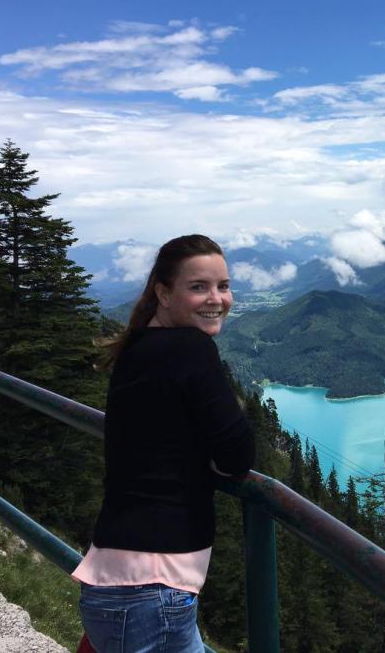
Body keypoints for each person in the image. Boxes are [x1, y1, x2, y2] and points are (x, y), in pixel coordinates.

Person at [72, 234, 256, 653]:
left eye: (223, 286)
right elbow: (238, 454)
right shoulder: (191, 347)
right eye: (199, 287)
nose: (217, 298)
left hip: (132, 587)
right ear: (163, 292)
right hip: (150, 591)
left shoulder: (139, 345)